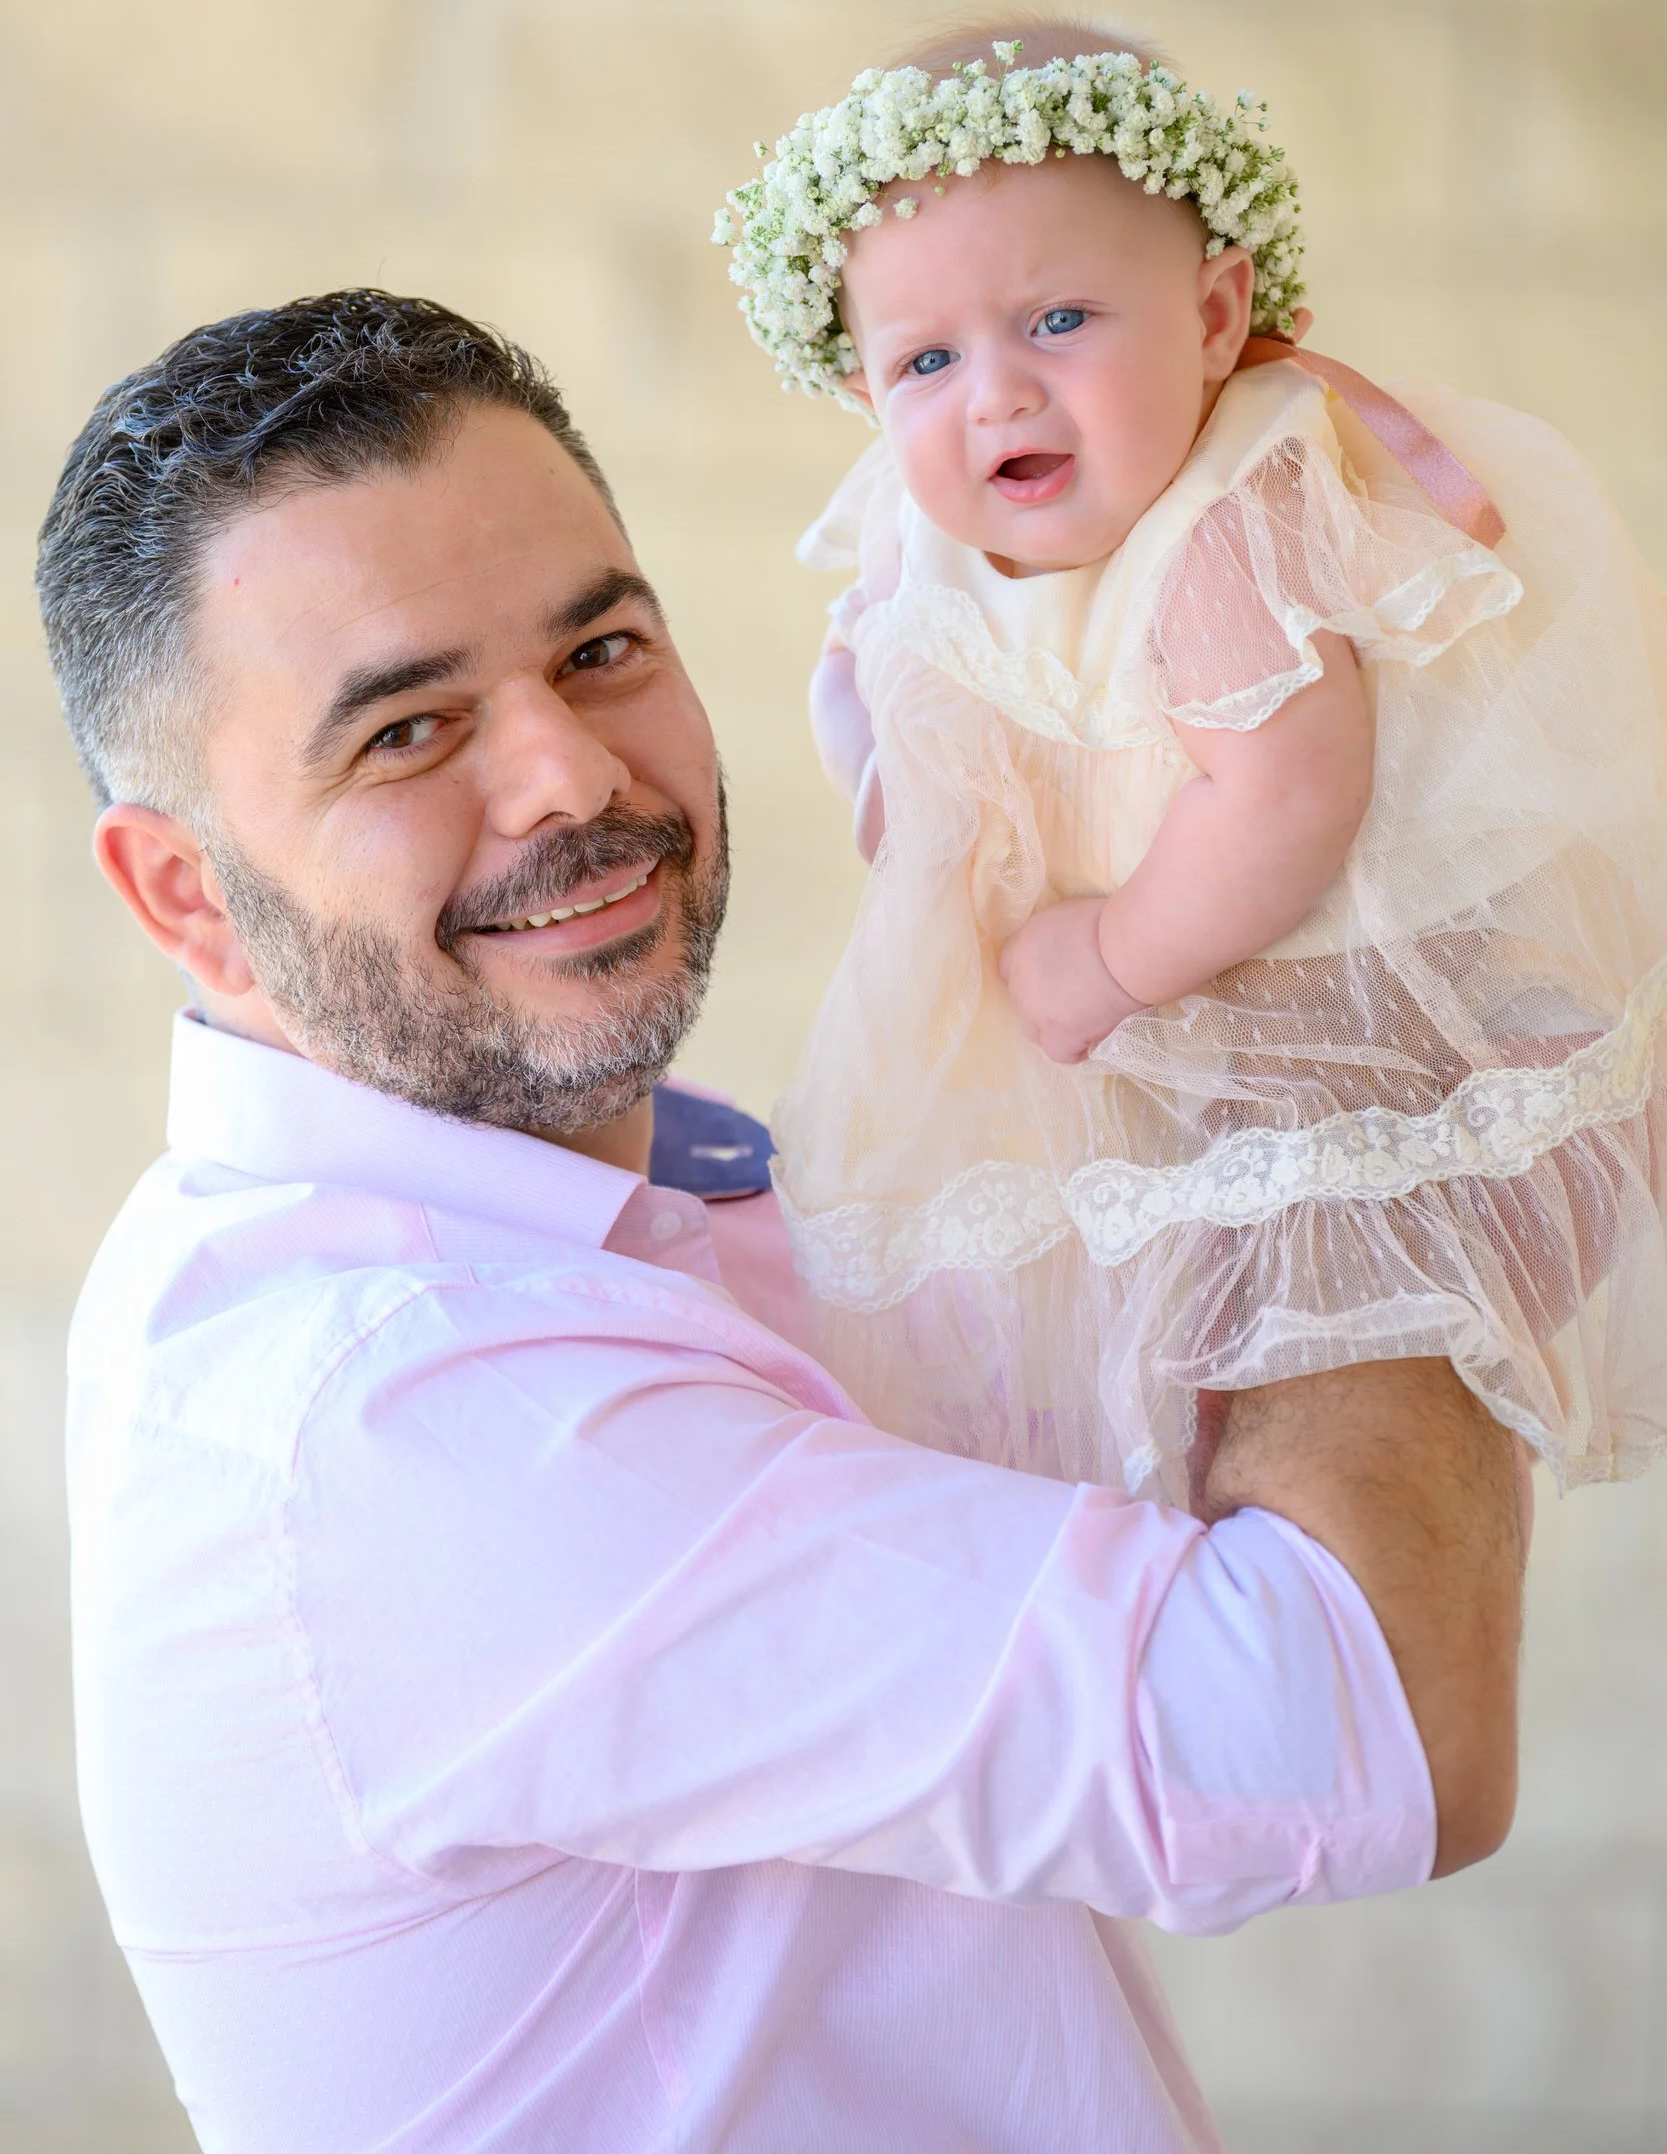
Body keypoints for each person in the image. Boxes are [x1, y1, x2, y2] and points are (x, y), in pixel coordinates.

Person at [38, 289, 1522, 2154]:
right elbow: (1365, 1716)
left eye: (599, 650)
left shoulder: (618, 1213)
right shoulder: (416, 1414)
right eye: (407, 731)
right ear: (186, 897)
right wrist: (1355, 978)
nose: (571, 774)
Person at [716, 20, 1667, 1501]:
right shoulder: (927, 510)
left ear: (1215, 317)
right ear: (861, 389)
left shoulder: (1227, 519)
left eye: (1057, 321)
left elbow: (1285, 797)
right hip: (1135, 1046)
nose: (994, 396)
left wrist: (1107, 956)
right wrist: (878, 771)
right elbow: (886, 681)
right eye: (923, 359)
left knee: (1313, 1320)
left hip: (1313, 1007)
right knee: (1099, 1325)